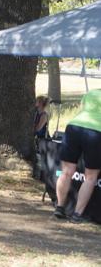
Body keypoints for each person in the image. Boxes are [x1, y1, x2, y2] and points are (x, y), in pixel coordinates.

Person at [54, 90, 101, 223]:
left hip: (74, 126)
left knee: (66, 172)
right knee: (90, 177)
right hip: (96, 131)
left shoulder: (91, 93)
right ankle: (77, 214)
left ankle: (60, 207)